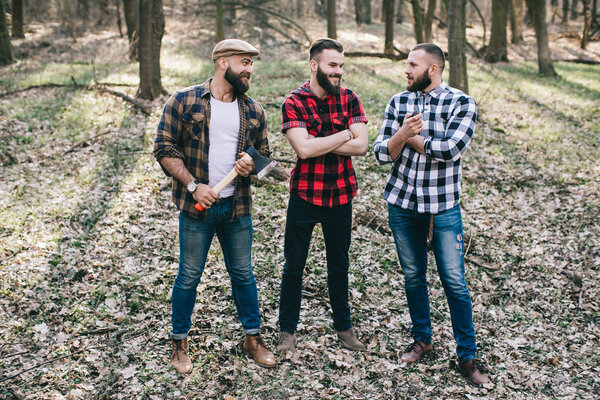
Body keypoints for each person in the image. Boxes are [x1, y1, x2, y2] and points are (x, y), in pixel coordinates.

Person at [153, 39, 276, 373]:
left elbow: (265, 160)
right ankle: (179, 343)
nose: (250, 69)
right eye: (244, 62)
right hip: (197, 210)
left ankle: (252, 338)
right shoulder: (184, 100)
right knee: (189, 277)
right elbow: (164, 148)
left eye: (252, 63)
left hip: (236, 210)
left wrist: (254, 165)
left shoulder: (254, 111)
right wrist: (194, 186)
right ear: (223, 62)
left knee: (244, 275)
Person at [373, 43, 489, 386]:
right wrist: (402, 135)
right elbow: (381, 153)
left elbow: (451, 149)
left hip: (443, 208)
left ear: (433, 69)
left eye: (412, 65)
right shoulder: (399, 102)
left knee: (455, 282)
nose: (406, 70)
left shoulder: (461, 102)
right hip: (403, 204)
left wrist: (409, 139)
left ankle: (467, 355)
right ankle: (422, 338)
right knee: (413, 276)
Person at [276, 38, 369, 355]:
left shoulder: (350, 99)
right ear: (314, 65)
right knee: (294, 266)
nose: (338, 72)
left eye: (341, 66)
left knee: (339, 264)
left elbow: (362, 146)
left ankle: (344, 328)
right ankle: (287, 331)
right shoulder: (295, 101)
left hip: (341, 195)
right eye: (332, 65)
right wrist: (345, 133)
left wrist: (320, 141)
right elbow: (303, 149)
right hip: (304, 195)